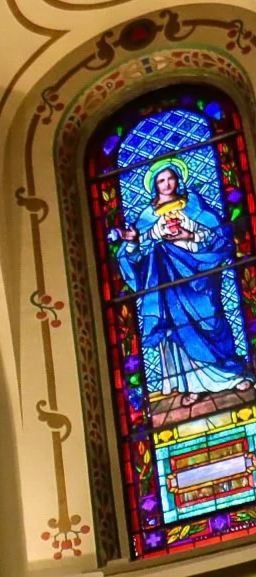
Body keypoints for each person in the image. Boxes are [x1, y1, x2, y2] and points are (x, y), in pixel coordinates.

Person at [115, 157, 252, 403]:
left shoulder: (194, 205)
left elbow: (218, 238)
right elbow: (134, 258)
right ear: (155, 186)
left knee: (211, 319)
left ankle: (230, 375)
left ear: (178, 180)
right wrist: (133, 241)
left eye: (171, 178)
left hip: (199, 275)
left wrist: (189, 235)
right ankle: (192, 384)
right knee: (177, 328)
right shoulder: (147, 216)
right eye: (161, 180)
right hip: (166, 284)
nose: (167, 184)